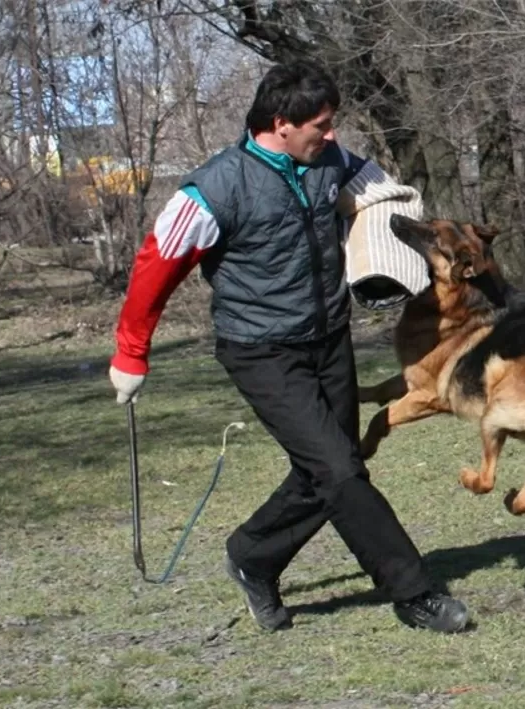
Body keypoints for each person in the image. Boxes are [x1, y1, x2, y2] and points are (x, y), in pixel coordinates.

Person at [108, 58, 471, 634]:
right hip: (260, 350)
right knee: (340, 471)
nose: (332, 137)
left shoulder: (330, 162)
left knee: (328, 469)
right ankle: (414, 591)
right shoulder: (215, 188)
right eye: (321, 126)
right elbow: (156, 267)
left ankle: (253, 557)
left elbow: (382, 193)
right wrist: (131, 353)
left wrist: (388, 239)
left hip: (328, 338)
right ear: (281, 123)